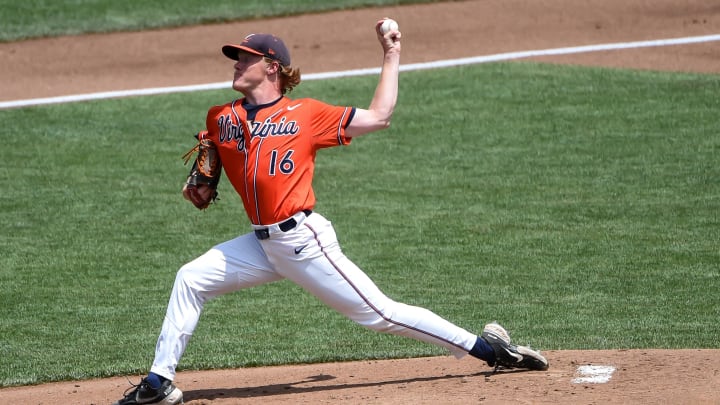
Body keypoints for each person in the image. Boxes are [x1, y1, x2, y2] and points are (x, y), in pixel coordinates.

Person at [113, 19, 548, 405]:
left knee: (381, 315)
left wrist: (391, 53)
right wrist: (201, 186)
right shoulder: (220, 118)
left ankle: (491, 350)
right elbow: (208, 180)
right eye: (234, 57)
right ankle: (159, 382)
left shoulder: (307, 114)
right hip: (261, 245)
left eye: (244, 58)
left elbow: (379, 116)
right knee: (191, 277)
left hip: (303, 242)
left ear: (271, 67)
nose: (234, 63)